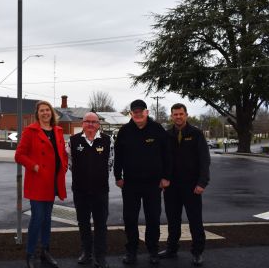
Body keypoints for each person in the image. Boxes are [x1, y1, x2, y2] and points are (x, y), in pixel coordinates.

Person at [114, 99, 172, 265]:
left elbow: (167, 155)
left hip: (153, 184)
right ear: (131, 114)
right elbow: (118, 156)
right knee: (130, 218)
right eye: (135, 112)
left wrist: (166, 177)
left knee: (153, 218)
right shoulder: (124, 131)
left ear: (146, 112)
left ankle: (153, 250)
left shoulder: (157, 129)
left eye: (141, 111)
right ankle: (131, 250)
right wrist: (118, 176)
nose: (138, 114)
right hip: (130, 184)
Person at [15, 100, 68, 268]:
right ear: (37, 114)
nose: (45, 113)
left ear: (52, 113)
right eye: (42, 111)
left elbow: (62, 154)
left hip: (52, 181)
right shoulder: (30, 131)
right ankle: (30, 254)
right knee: (37, 218)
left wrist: (64, 166)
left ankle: (45, 251)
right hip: (38, 181)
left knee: (46, 219)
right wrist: (34, 166)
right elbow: (19, 155)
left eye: (48, 110)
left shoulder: (58, 131)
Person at [158, 103, 210, 266]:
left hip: (192, 186)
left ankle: (197, 252)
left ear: (186, 115)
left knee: (195, 220)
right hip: (171, 186)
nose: (178, 117)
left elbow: (204, 160)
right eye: (175, 114)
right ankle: (171, 249)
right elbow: (161, 160)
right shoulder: (167, 135)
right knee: (173, 221)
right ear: (171, 116)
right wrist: (162, 178)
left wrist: (202, 182)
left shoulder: (196, 134)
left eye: (181, 114)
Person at [67, 112, 114, 268]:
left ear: (99, 124)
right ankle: (86, 253)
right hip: (80, 190)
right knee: (83, 223)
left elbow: (110, 163)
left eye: (94, 122)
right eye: (87, 121)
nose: (91, 124)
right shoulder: (73, 141)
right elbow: (70, 164)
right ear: (83, 123)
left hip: (100, 191)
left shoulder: (108, 140)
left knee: (101, 224)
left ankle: (100, 256)